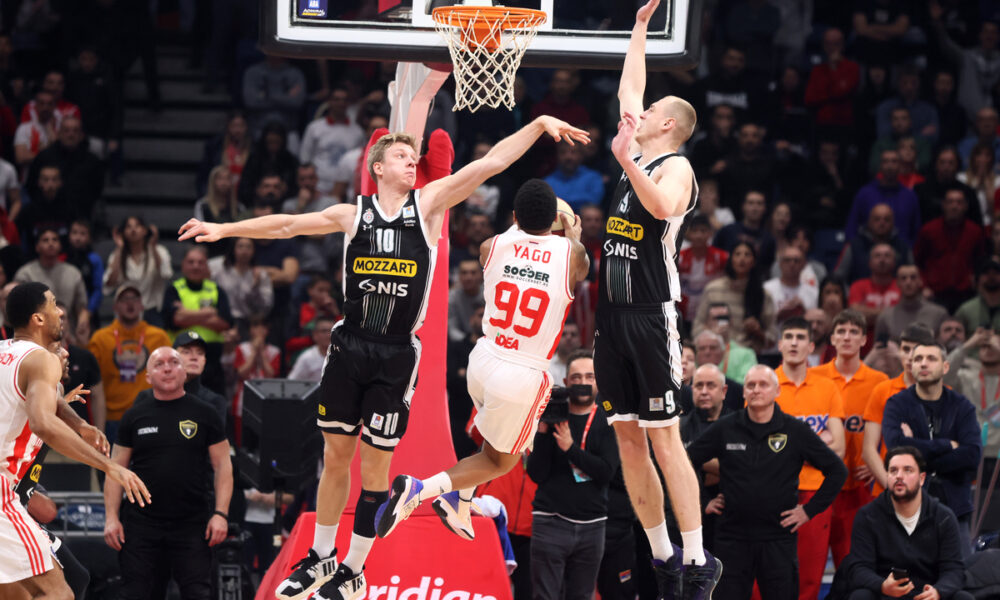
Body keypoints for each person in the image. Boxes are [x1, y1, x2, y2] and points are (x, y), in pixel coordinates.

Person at [179, 116, 589, 600]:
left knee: (375, 471)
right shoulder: (352, 214)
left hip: (396, 353)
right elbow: (287, 225)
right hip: (350, 344)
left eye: (413, 157)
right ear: (376, 166)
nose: (411, 160)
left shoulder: (430, 203)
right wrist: (223, 227)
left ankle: (354, 569)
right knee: (336, 460)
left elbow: (492, 162)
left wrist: (538, 126)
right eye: (400, 155)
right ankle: (320, 557)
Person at [374, 178, 589, 542]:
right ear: (557, 221)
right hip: (522, 372)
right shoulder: (572, 255)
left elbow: (517, 235)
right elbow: (578, 260)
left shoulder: (492, 245)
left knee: (497, 437)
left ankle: (462, 499)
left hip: (484, 359)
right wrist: (574, 233)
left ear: (515, 216)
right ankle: (419, 490)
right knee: (500, 460)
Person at [594, 1, 721, 596]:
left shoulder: (676, 166)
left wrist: (625, 158)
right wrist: (640, 29)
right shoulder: (636, 147)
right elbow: (632, 83)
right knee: (626, 436)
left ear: (666, 124)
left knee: (666, 437)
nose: (636, 114)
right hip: (610, 317)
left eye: (647, 114)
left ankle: (698, 561)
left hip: (651, 315)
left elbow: (664, 209)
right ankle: (664, 553)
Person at [0, 282, 149, 599]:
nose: (60, 312)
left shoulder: (5, 355)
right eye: (53, 304)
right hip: (3, 490)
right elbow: (43, 423)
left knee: (19, 595)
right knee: (60, 593)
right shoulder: (42, 359)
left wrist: (80, 423)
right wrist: (110, 467)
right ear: (38, 318)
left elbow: (37, 400)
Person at [686, 365, 847, 599]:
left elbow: (837, 471)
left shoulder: (795, 430)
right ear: (743, 392)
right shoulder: (726, 427)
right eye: (751, 385)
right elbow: (687, 460)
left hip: (778, 537)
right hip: (733, 537)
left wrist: (809, 511)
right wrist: (704, 501)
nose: (756, 390)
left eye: (763, 384)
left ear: (777, 391)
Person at [103, 347, 232, 600]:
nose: (167, 368)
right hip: (141, 524)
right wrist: (111, 517)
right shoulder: (133, 416)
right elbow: (115, 469)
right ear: (148, 375)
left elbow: (223, 466)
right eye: (159, 364)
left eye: (174, 362)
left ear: (184, 371)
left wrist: (221, 514)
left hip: (192, 523)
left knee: (199, 593)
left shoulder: (206, 413)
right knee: (137, 593)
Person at [525, 350, 618, 600]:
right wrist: (543, 432)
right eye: (576, 378)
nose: (583, 383)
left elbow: (606, 472)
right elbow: (535, 473)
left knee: (582, 596)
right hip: (550, 520)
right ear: (566, 382)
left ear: (598, 381)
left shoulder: (609, 420)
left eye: (589, 377)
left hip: (592, 525)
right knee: (545, 596)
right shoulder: (552, 413)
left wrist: (571, 449)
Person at [882, 342, 983, 557]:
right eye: (918, 359)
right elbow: (895, 450)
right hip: (906, 507)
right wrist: (946, 445)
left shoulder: (962, 406)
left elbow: (972, 456)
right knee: (905, 582)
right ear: (911, 366)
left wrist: (916, 454)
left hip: (955, 507)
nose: (923, 363)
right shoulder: (897, 404)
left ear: (945, 367)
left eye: (931, 358)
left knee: (962, 580)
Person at [773, 317, 847, 600]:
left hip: (816, 492)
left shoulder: (827, 387)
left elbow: (838, 448)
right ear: (779, 344)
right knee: (768, 574)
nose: (794, 342)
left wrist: (787, 450)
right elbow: (758, 448)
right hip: (774, 492)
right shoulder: (765, 385)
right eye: (788, 336)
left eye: (800, 337)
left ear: (811, 346)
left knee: (810, 576)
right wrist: (816, 445)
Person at [811, 309, 888, 568]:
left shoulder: (879, 383)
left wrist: (882, 464)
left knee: (855, 565)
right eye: (841, 331)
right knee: (810, 565)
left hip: (859, 488)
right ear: (831, 339)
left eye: (854, 332)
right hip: (817, 484)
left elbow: (892, 430)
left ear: (864, 339)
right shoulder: (813, 378)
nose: (847, 337)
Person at [844, 447, 973, 600]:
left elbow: (954, 570)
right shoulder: (867, 516)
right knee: (860, 596)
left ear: (922, 478)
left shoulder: (943, 517)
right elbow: (858, 568)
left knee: (963, 597)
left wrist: (938, 592)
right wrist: (882, 586)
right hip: (885, 594)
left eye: (908, 470)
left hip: (928, 595)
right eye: (893, 470)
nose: (899, 476)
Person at [88, 282, 172, 443]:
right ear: (115, 307)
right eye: (124, 299)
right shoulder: (100, 339)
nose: (130, 303)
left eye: (134, 298)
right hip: (112, 419)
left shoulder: (159, 337)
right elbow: (93, 384)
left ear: (142, 305)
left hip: (151, 415)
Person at [862, 324, 937, 498]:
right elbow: (868, 450)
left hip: (929, 493)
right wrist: (891, 485)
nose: (910, 356)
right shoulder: (882, 390)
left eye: (916, 350)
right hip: (886, 492)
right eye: (905, 349)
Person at [162, 246, 233, 395]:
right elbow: (175, 321)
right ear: (183, 265)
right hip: (180, 358)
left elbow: (225, 323)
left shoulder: (216, 290)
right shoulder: (174, 289)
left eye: (200, 262)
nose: (196, 266)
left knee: (215, 409)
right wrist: (208, 313)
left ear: (207, 266)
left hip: (212, 359)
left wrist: (186, 314)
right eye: (191, 262)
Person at [693, 242, 775, 353]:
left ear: (754, 262)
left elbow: (773, 337)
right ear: (730, 259)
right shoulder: (713, 289)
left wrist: (758, 331)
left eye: (747, 255)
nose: (742, 259)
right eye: (737, 254)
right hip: (716, 353)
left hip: (748, 355)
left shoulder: (764, 295)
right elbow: (697, 327)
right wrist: (711, 333)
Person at [13, 228, 89, 341]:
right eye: (45, 240)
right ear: (37, 247)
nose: (51, 243)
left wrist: (83, 322)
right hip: (35, 336)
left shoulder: (73, 273)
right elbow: (19, 309)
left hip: (68, 335)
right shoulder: (25, 273)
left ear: (60, 245)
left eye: (55, 240)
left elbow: (82, 307)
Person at [102, 215, 174, 317]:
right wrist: (120, 248)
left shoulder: (159, 251)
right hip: (125, 312)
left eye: (137, 226)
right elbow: (109, 284)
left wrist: (153, 246)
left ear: (145, 230)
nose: (133, 229)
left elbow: (166, 274)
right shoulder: (116, 254)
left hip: (150, 310)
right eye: (129, 227)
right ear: (123, 232)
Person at [874, 265, 948, 344]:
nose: (908, 282)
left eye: (913, 277)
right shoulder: (885, 316)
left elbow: (945, 348)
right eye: (903, 278)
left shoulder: (939, 314)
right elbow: (879, 351)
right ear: (897, 283)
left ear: (920, 281)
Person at [288, 315, 335, 383]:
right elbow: (291, 383)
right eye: (324, 331)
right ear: (315, 335)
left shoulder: (345, 355)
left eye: (331, 331)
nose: (328, 335)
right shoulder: (307, 358)